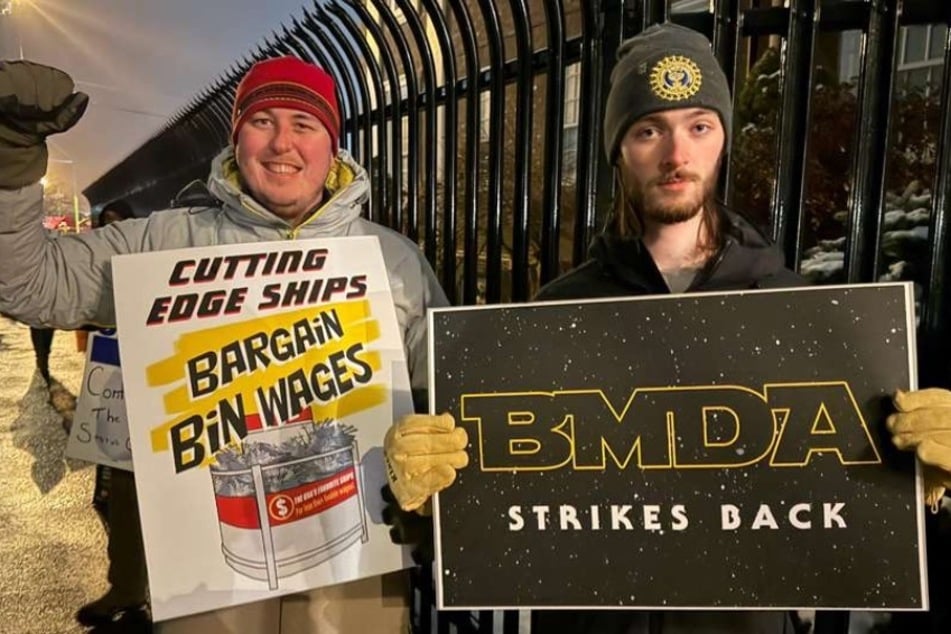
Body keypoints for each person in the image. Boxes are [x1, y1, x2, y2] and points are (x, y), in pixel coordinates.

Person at [382, 22, 951, 634]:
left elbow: (860, 536)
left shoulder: (798, 310)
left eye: (698, 127)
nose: (676, 155)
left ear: (722, 140)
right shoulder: (554, 313)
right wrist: (427, 503)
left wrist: (922, 484)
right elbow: (487, 519)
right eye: (649, 130)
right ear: (620, 150)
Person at [0, 56, 449, 634]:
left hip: (357, 556)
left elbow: (444, 390)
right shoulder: (167, 241)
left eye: (304, 124)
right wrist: (11, 165)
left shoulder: (393, 260)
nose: (281, 142)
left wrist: (434, 468)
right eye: (262, 121)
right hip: (207, 579)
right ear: (236, 140)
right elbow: (31, 285)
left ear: (333, 148)